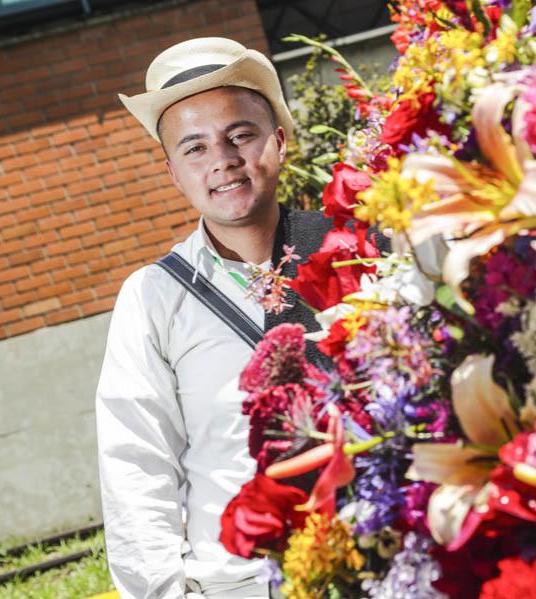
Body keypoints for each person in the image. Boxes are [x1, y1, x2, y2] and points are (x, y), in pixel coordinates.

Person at [96, 37, 333, 598]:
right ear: (174, 172)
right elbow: (137, 465)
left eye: (240, 136)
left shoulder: (354, 248)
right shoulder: (153, 298)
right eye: (194, 148)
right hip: (245, 583)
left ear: (277, 141)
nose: (222, 160)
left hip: (380, 556)